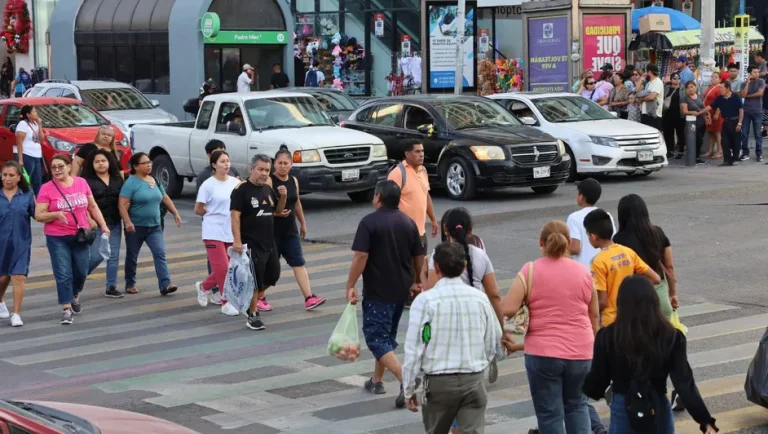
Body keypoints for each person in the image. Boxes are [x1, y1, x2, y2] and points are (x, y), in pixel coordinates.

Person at [583, 276, 718, 434]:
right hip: (657, 406)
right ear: (654, 301)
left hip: (623, 406)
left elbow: (597, 383)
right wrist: (704, 419)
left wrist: (580, 386)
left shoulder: (608, 336)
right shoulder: (672, 336)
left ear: (620, 303)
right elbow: (684, 382)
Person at [501, 220, 599, 434]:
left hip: (543, 354)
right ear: (568, 243)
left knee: (549, 415)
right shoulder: (583, 272)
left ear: (541, 242)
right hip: (581, 352)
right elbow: (593, 315)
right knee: (578, 406)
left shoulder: (530, 270)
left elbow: (508, 308)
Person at [402, 242, 502, 434]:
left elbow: (414, 349)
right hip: (473, 379)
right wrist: (480, 365)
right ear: (464, 266)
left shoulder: (425, 301)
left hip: (438, 383)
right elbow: (492, 342)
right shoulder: (480, 299)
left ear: (436, 267)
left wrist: (409, 388)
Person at [346, 180, 425, 408]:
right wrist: (417, 281)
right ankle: (376, 380)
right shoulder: (408, 222)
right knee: (386, 336)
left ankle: (406, 379)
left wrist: (350, 284)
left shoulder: (369, 222)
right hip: (401, 291)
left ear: (378, 197)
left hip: (378, 291)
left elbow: (361, 256)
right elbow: (418, 255)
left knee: (375, 338)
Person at [426, 207, 504, 383]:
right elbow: (494, 294)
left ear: (445, 229)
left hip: (447, 313)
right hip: (476, 312)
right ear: (471, 230)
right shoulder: (480, 255)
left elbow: (431, 289)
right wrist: (502, 326)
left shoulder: (438, 255)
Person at [35, 154, 110, 325]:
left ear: (69, 166)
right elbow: (38, 215)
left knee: (82, 271)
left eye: (60, 166)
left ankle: (74, 293)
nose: (56, 170)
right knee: (63, 273)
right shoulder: (46, 188)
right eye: (53, 167)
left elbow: (92, 206)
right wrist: (55, 214)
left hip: (80, 236)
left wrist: (103, 226)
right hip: (57, 237)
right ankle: (66, 308)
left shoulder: (81, 183)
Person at [230, 155, 287, 330]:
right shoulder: (241, 190)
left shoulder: (268, 189)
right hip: (251, 243)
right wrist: (237, 241)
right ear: (252, 169)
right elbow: (235, 216)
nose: (264, 173)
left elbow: (277, 211)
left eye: (267, 170)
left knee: (273, 276)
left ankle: (249, 300)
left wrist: (283, 197)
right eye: (260, 169)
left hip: (269, 242)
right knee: (255, 280)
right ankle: (253, 315)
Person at [268, 146, 326, 310]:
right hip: (272, 232)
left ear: (291, 164)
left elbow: (297, 202)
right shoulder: (270, 181)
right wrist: (275, 213)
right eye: (280, 163)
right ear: (274, 164)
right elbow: (264, 205)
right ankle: (259, 297)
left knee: (298, 263)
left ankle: (309, 298)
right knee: (271, 268)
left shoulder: (293, 180)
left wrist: (303, 223)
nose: (283, 166)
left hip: (290, 231)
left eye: (286, 163)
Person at [584, 208, 661, 328]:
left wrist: (585, 307)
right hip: (631, 316)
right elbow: (656, 278)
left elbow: (603, 302)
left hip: (611, 321)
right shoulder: (627, 252)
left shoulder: (598, 261)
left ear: (593, 236)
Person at [119, 152, 182, 296]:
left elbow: (165, 198)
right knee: (132, 256)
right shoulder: (131, 183)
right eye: (145, 163)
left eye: (149, 162)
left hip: (155, 226)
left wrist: (175, 213)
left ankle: (165, 284)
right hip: (136, 227)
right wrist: (128, 222)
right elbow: (122, 205)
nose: (149, 165)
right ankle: (130, 283)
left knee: (160, 253)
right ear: (135, 166)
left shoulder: (154, 180)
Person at [387, 139, 437, 304]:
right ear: (407, 154)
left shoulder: (423, 170)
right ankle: (405, 295)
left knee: (419, 265)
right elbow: (388, 202)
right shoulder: (397, 174)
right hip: (403, 231)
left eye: (422, 151)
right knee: (405, 265)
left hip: (420, 230)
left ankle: (415, 294)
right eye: (417, 151)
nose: (421, 154)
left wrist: (433, 219)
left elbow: (426, 196)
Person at [613, 194, 678, 319]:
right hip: (660, 296)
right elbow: (669, 266)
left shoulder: (618, 239)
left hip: (634, 298)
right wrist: (673, 293)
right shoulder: (658, 233)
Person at [194, 150, 241, 316]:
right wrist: (212, 213)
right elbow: (198, 209)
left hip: (230, 230)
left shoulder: (236, 183)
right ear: (214, 165)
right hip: (212, 231)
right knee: (223, 268)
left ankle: (203, 287)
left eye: (228, 161)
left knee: (228, 268)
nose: (226, 164)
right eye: (222, 161)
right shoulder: (208, 185)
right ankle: (226, 302)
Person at [82, 149, 124, 299]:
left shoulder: (117, 179)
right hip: (96, 225)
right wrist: (90, 219)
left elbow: (124, 200)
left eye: (103, 161)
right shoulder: (87, 182)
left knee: (113, 255)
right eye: (97, 162)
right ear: (92, 164)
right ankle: (78, 276)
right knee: (96, 256)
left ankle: (111, 287)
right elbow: (83, 204)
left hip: (115, 223)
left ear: (109, 162)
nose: (100, 164)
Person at [0, 161, 35, 327]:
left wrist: (56, 215)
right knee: (3, 277)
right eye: (4, 175)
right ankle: (0, 301)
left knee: (18, 276)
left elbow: (38, 214)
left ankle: (16, 314)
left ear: (19, 177)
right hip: (1, 244)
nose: (7, 178)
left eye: (11, 175)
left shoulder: (27, 194)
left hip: (21, 243)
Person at [567, 178, 615, 269]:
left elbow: (575, 248)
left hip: (584, 269)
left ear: (581, 197)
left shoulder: (574, 217)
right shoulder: (607, 215)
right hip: (605, 266)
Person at [704, 81, 744, 166]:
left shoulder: (735, 97)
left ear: (727, 88)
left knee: (736, 141)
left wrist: (739, 123)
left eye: (722, 88)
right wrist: (699, 112)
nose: (720, 90)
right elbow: (710, 106)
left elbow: (741, 110)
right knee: (724, 142)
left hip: (735, 121)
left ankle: (735, 158)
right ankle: (726, 160)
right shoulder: (720, 98)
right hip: (726, 122)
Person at [14, 105, 43, 195]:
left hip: (37, 155)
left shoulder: (35, 124)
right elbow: (19, 142)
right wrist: (20, 159)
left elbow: (41, 138)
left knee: (37, 179)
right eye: (34, 112)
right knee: (26, 179)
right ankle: (24, 196)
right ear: (28, 114)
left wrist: (40, 124)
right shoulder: (23, 124)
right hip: (27, 154)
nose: (36, 114)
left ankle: (36, 199)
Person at [739, 65, 765, 161]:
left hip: (757, 111)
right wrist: (748, 82)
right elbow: (743, 94)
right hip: (746, 111)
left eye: (757, 72)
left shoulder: (761, 81)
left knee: (758, 134)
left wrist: (747, 96)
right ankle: (745, 153)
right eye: (754, 72)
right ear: (750, 73)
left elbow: (760, 93)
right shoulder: (744, 83)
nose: (757, 74)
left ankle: (759, 153)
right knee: (744, 134)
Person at [680, 81, 708, 164]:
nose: (690, 89)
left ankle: (697, 156)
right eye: (688, 87)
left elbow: (703, 107)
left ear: (695, 87)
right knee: (694, 139)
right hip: (691, 123)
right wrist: (691, 112)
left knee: (700, 140)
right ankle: (693, 157)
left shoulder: (699, 96)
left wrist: (707, 115)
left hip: (701, 121)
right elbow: (684, 111)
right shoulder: (684, 98)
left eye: (692, 87)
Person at [663, 73, 685, 159]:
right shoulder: (666, 88)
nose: (677, 80)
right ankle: (670, 150)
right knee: (668, 133)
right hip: (668, 114)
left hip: (679, 114)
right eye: (674, 78)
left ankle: (680, 151)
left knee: (680, 133)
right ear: (671, 79)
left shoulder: (683, 88)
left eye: (678, 78)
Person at [702, 73, 723, 159]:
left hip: (716, 113)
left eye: (716, 77)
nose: (713, 78)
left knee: (717, 132)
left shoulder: (719, 88)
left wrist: (717, 113)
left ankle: (720, 150)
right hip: (708, 112)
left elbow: (721, 102)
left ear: (720, 79)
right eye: (712, 77)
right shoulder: (710, 87)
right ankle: (710, 150)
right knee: (710, 132)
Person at [639, 64, 664, 131]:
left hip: (654, 114)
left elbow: (652, 97)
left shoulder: (658, 82)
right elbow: (637, 90)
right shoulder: (649, 83)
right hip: (645, 112)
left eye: (646, 71)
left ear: (649, 72)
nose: (645, 73)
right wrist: (641, 79)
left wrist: (642, 99)